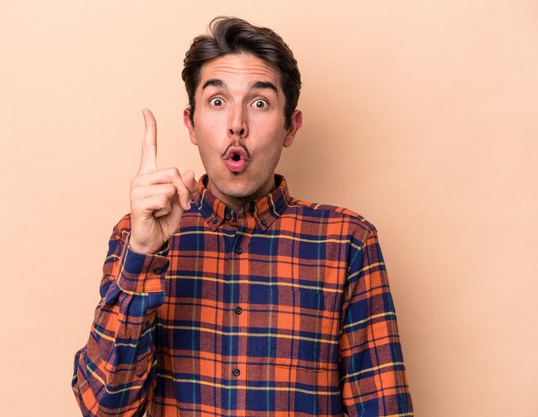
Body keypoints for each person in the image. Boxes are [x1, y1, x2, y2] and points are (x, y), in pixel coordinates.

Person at [72, 16, 413, 417]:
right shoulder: (137, 235)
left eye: (259, 103)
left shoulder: (347, 242)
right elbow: (103, 409)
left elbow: (383, 407)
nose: (237, 124)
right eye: (217, 102)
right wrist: (143, 254)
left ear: (290, 126)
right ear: (192, 124)